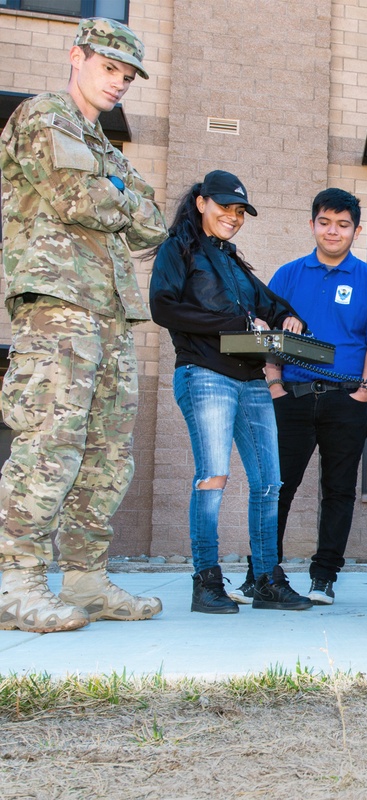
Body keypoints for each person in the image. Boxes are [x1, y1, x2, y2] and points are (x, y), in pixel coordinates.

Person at [0, 18, 167, 633]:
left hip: (112, 312)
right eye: (109, 69)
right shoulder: (44, 116)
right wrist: (120, 192)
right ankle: (15, 583)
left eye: (127, 75)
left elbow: (154, 226)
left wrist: (113, 185)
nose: (119, 83)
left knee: (106, 453)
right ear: (77, 57)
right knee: (50, 444)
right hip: (58, 304)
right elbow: (79, 200)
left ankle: (86, 580)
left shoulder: (104, 150)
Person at [149, 170, 312, 614]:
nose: (233, 217)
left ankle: (265, 580)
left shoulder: (235, 261)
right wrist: (236, 325)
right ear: (201, 202)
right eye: (225, 207)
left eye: (240, 211)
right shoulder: (178, 249)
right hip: (205, 374)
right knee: (213, 478)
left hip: (251, 380)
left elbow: (269, 303)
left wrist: (288, 318)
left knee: (268, 483)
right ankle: (206, 582)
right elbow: (162, 308)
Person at [263, 189, 367, 605]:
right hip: (293, 398)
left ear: (356, 230)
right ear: (312, 225)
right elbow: (266, 333)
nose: (332, 231)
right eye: (325, 222)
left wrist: (364, 392)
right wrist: (274, 385)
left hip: (347, 401)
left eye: (342, 224)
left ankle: (324, 577)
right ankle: (264, 572)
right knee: (277, 487)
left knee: (338, 490)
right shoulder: (288, 274)